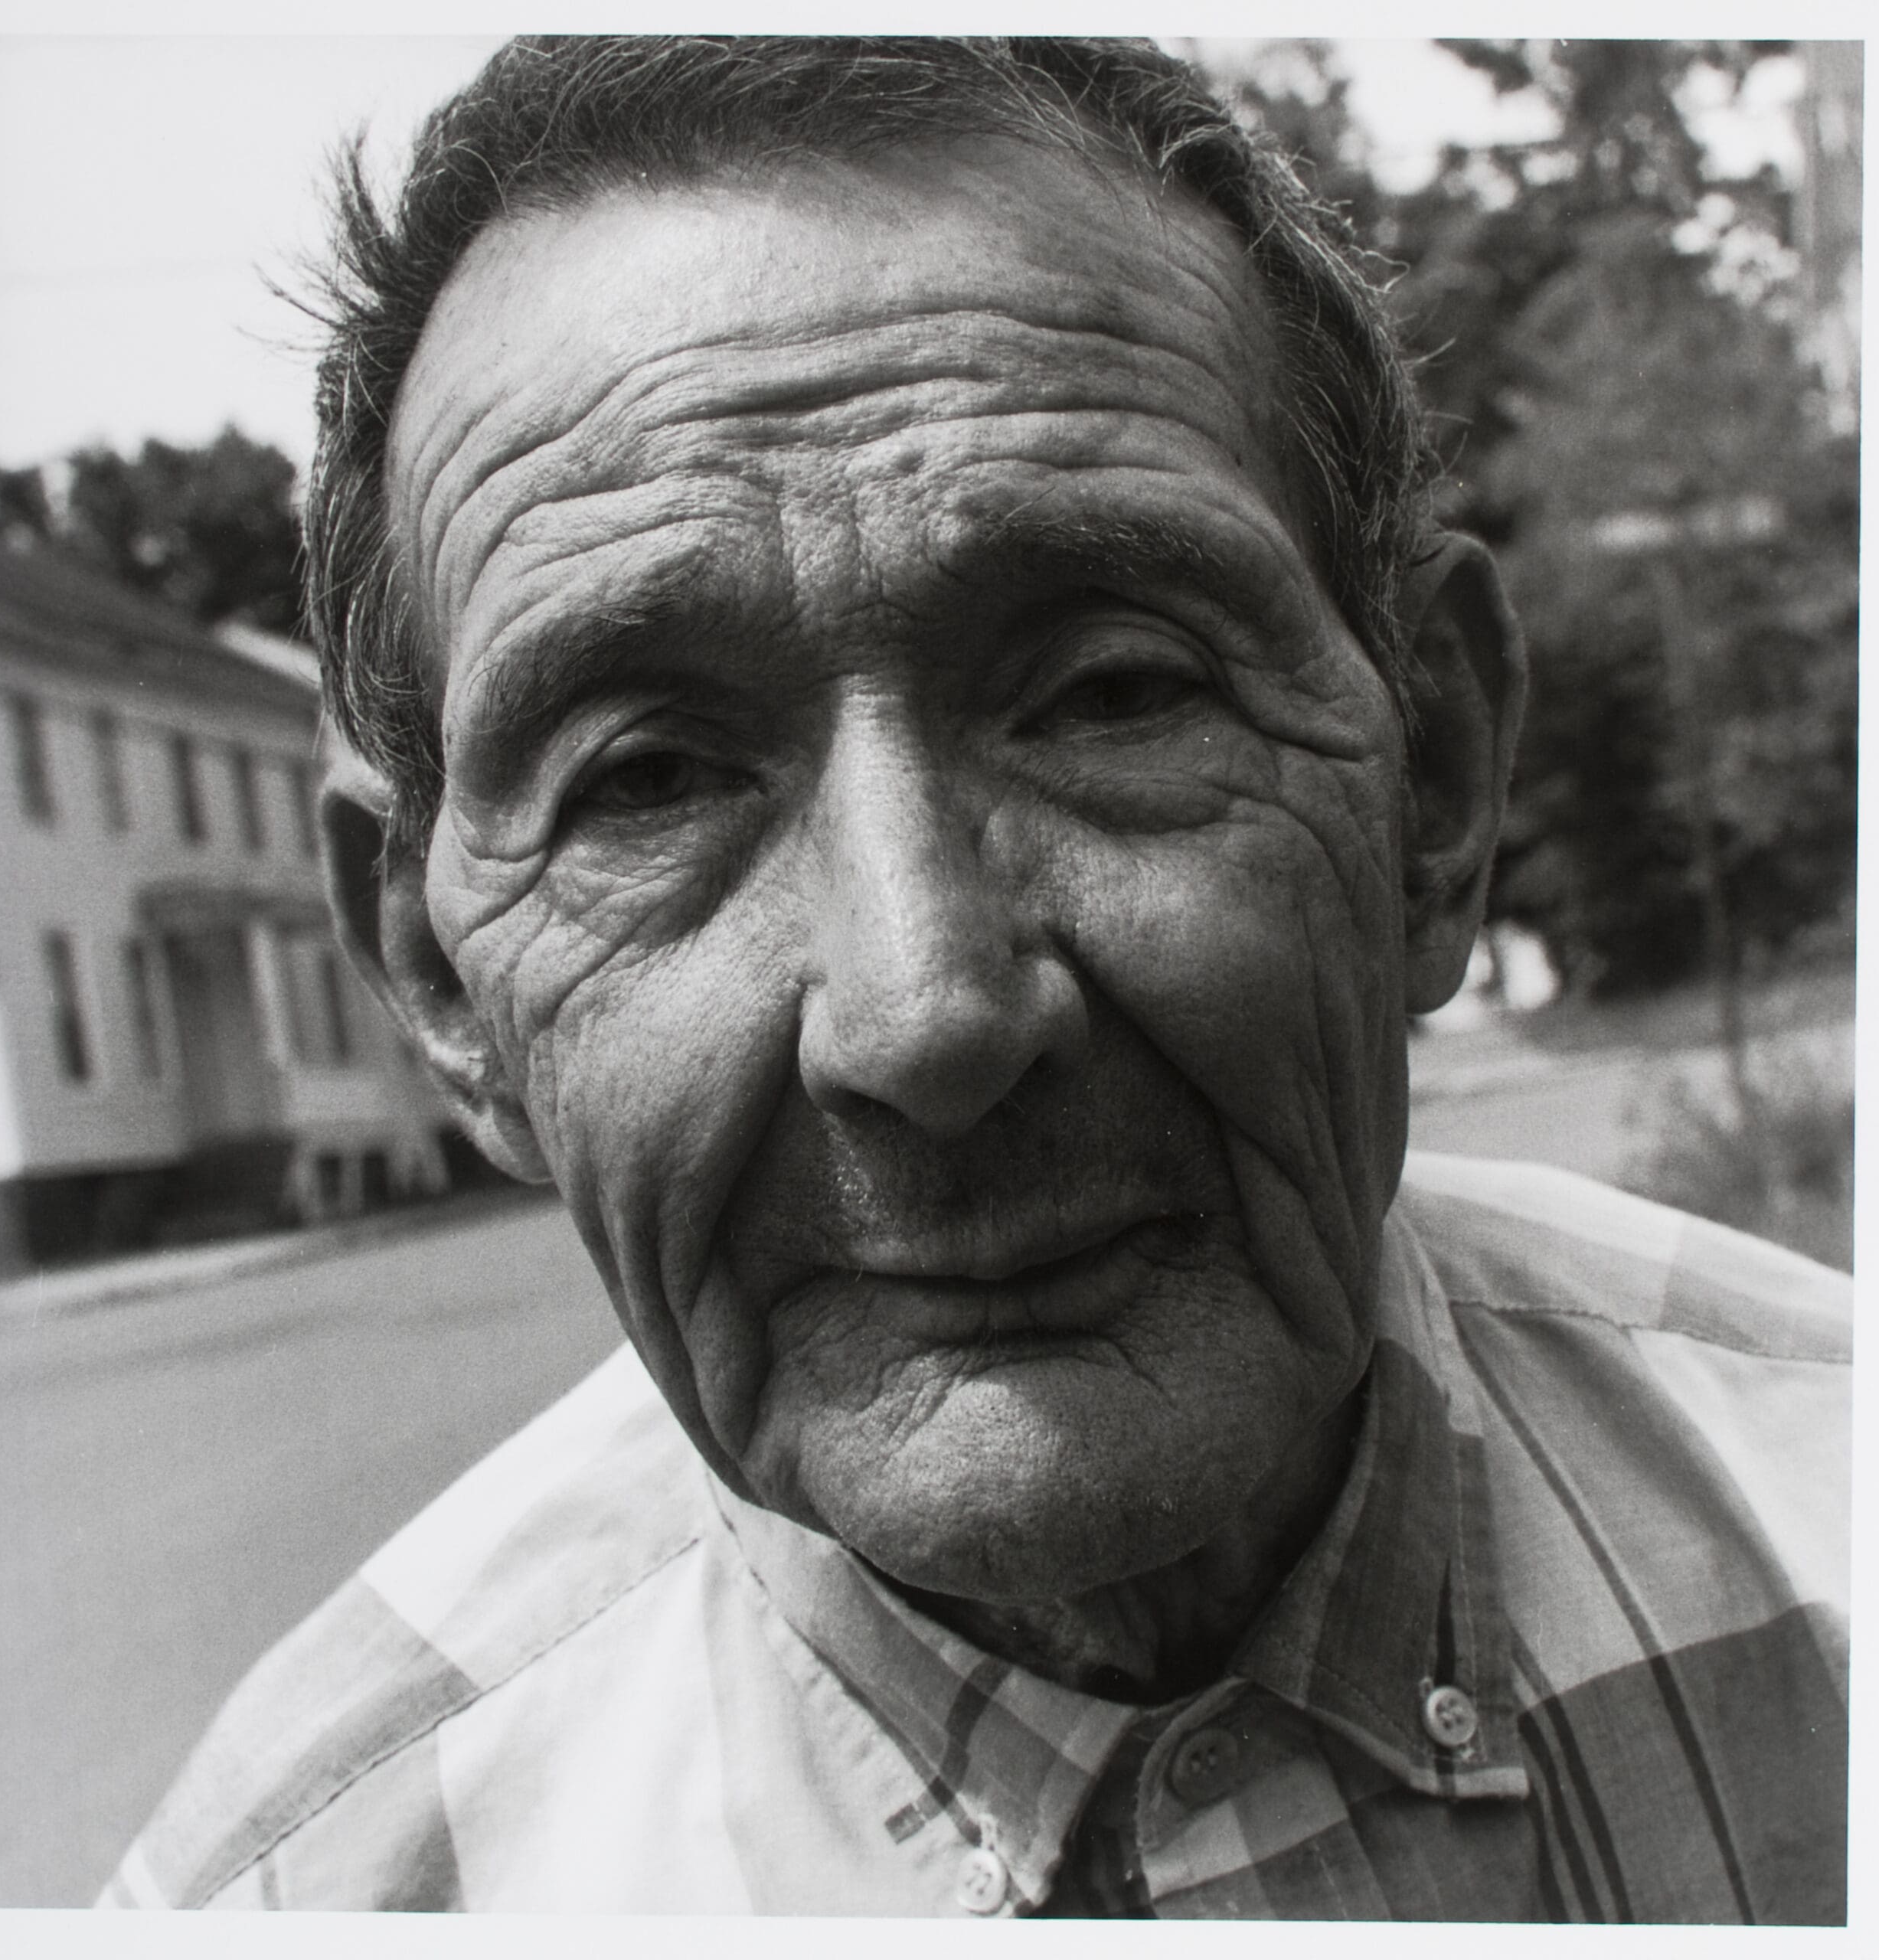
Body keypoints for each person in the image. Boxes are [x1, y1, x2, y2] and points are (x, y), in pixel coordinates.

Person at [103, 37, 1848, 1920]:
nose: (925, 1009)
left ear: (1431, 778)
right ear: (440, 975)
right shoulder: (305, 1894)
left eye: (1112, 689)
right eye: (654, 779)